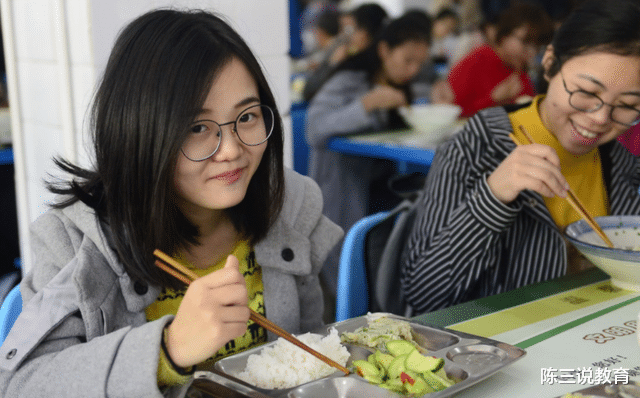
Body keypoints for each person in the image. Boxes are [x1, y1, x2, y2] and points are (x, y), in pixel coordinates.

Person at [0, 9, 342, 397]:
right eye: (197, 127)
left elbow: (311, 347)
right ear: (140, 131)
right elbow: (21, 385)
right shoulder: (75, 243)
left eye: (247, 116)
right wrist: (169, 349)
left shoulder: (291, 207)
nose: (231, 150)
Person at [401, 0, 640, 314]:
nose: (599, 118)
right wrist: (494, 195)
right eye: (586, 92)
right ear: (551, 63)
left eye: (626, 104)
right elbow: (423, 293)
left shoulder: (621, 164)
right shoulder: (476, 147)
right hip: (495, 351)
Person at [306, 13, 431, 302]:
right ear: (384, 50)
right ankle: (359, 308)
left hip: (378, 184)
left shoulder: (398, 83)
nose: (412, 71)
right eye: (407, 60)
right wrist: (366, 104)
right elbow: (314, 128)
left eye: (418, 64)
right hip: (342, 188)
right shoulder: (350, 79)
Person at [447, 1, 554, 117]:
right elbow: (451, 112)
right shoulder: (476, 61)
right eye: (525, 42)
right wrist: (493, 99)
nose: (531, 52)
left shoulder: (520, 69)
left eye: (537, 47)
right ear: (504, 34)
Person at [302, 2, 388, 102]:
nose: (348, 36)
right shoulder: (352, 56)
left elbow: (310, 93)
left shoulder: (359, 66)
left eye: (352, 29)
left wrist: (332, 65)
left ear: (364, 34)